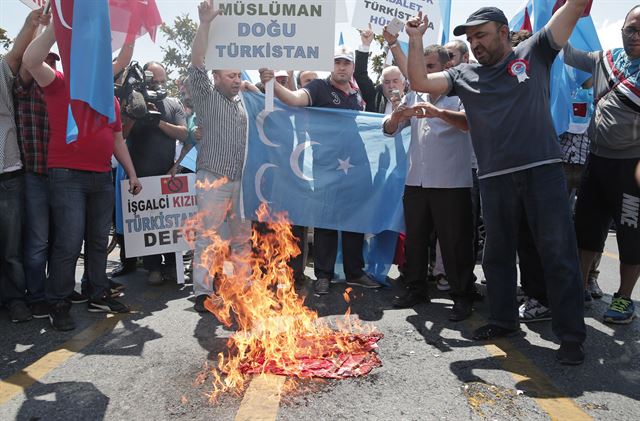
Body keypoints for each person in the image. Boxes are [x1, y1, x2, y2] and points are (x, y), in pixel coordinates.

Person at [406, 2, 590, 365]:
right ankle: (504, 320)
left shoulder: (534, 51)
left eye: (481, 35)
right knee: (497, 256)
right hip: (494, 179)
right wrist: (415, 39)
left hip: (542, 171)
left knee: (558, 255)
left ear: (504, 33)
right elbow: (420, 83)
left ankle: (570, 336)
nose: (475, 44)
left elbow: (573, 8)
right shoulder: (463, 75)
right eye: (471, 38)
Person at [23, 21, 142, 331]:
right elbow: (31, 61)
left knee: (98, 242)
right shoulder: (61, 83)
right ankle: (59, 302)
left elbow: (116, 140)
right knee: (68, 242)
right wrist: (54, 26)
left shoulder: (111, 100)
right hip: (67, 176)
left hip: (101, 177)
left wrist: (131, 174)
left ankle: (97, 292)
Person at [259, 47, 382, 295]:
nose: (342, 67)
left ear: (351, 67)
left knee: (354, 222)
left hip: (356, 167)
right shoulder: (318, 88)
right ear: (330, 65)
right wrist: (273, 83)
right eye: (337, 62)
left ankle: (354, 272)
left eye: (346, 63)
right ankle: (323, 275)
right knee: (326, 221)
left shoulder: (358, 92)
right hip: (326, 166)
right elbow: (294, 100)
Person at [383, 44, 476, 321]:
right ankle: (416, 288)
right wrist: (397, 116)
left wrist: (437, 113)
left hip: (451, 181)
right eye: (421, 68)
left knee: (454, 243)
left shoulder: (461, 95)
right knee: (415, 239)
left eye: (430, 68)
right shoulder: (413, 95)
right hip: (417, 180)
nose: (423, 74)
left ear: (447, 69)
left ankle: (462, 296)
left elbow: (469, 123)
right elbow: (389, 129)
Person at [564, 4, 640, 324]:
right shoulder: (603, 59)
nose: (635, 35)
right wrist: (555, 14)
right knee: (586, 228)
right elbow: (564, 51)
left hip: (632, 168)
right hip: (595, 161)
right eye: (631, 29)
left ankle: (623, 298)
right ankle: (578, 287)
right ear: (621, 30)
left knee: (631, 235)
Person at [187, 0, 252, 313]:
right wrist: (205, 24)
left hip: (241, 182)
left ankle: (244, 288)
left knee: (242, 239)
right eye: (230, 76)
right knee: (208, 236)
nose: (236, 80)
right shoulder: (205, 96)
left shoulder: (245, 101)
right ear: (216, 77)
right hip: (213, 177)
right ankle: (202, 292)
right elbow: (196, 62)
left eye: (238, 75)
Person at [0, 7, 48, 323]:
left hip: (8, 172)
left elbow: (17, 56)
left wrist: (32, 24)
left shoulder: (2, 68)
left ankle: (16, 299)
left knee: (11, 246)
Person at [123, 61, 188, 285]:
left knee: (170, 225)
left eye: (162, 81)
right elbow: (120, 135)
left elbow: (184, 134)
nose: (159, 86)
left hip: (167, 175)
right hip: (140, 176)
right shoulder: (132, 102)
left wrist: (157, 121)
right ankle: (152, 266)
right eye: (154, 82)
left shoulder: (173, 104)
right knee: (147, 225)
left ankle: (171, 264)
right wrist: (134, 114)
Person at [355, 24, 406, 114]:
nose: (391, 85)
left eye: (395, 81)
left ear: (404, 84)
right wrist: (365, 45)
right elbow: (360, 75)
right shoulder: (374, 97)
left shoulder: (412, 102)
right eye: (386, 82)